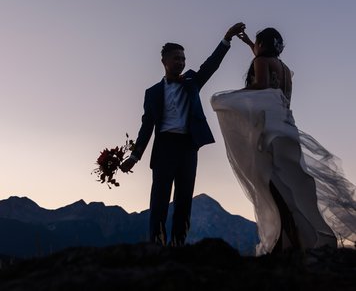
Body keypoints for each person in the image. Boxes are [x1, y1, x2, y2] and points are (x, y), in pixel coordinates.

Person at [211, 26, 356, 254]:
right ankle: (305, 239)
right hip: (288, 128)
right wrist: (250, 43)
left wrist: (233, 96)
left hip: (269, 130)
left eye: (257, 43)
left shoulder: (261, 62)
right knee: (296, 186)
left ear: (262, 45)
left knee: (274, 187)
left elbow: (261, 86)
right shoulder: (285, 69)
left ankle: (286, 243)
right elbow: (270, 76)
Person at [121, 22, 245, 246]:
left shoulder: (192, 81)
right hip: (164, 148)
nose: (180, 62)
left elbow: (211, 65)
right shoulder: (153, 93)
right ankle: (156, 244)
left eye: (183, 59)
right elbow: (146, 126)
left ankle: (179, 243)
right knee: (159, 199)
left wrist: (227, 38)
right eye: (176, 58)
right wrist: (134, 156)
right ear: (164, 61)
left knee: (184, 199)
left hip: (188, 147)